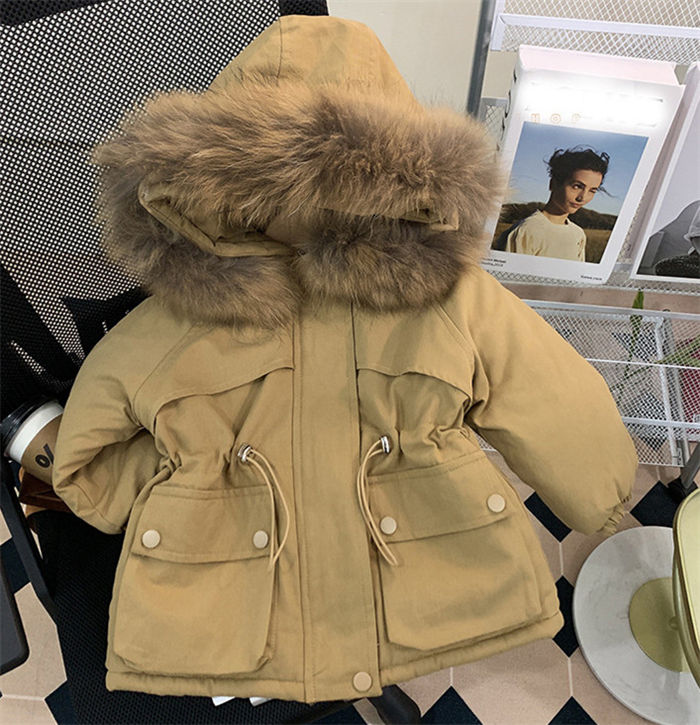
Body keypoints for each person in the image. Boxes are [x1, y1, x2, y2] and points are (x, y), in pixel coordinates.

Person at [50, 15, 637, 703]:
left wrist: (182, 483)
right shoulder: (174, 322)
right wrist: (197, 477)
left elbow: (88, 470)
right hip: (393, 591)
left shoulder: (447, 299)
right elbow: (553, 400)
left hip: (279, 599)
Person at [500, 147, 609, 261]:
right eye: (577, 186)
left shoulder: (578, 235)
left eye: (592, 191)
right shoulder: (525, 231)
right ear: (553, 184)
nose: (582, 198)